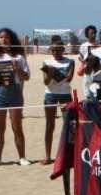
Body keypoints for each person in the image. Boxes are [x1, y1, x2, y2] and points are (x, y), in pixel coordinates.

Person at [0, 27, 31, 166]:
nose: (4, 40)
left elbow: (27, 77)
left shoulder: (19, 57)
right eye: (1, 37)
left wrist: (17, 69)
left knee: (17, 126)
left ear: (11, 40)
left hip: (15, 91)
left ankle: (22, 157)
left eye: (7, 37)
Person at [41, 35, 75, 164]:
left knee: (69, 124)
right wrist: (50, 74)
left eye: (58, 50)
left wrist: (57, 77)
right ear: (51, 50)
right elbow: (46, 81)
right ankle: (48, 156)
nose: (55, 52)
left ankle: (69, 154)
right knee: (50, 125)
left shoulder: (70, 61)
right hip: (51, 95)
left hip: (65, 94)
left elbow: (69, 78)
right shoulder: (47, 62)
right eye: (53, 50)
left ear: (63, 49)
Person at [77, 24, 98, 97]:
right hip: (87, 73)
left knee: (97, 94)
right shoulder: (83, 46)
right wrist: (84, 61)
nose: (94, 35)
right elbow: (80, 57)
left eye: (95, 33)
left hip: (97, 72)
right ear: (87, 35)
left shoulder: (99, 45)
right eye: (92, 33)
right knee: (87, 95)